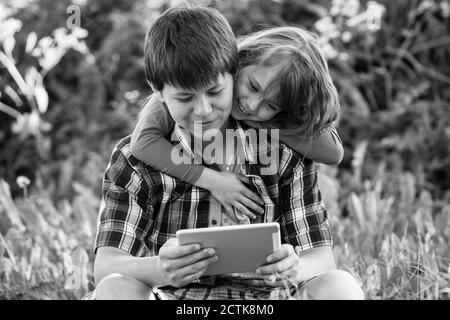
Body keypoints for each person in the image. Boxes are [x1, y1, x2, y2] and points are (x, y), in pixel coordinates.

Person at [89, 6, 364, 300]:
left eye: (215, 91)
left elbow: (322, 259)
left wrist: (295, 268)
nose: (203, 110)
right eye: (184, 97)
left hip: (262, 302)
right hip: (175, 300)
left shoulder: (283, 154)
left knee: (340, 286)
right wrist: (159, 269)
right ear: (158, 90)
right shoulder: (137, 160)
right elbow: (106, 268)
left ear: (233, 70)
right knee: (115, 290)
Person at [130, 26, 344, 223]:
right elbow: (142, 142)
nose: (251, 105)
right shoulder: (200, 81)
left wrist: (266, 124)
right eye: (252, 86)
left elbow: (333, 152)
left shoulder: (267, 118)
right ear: (240, 61)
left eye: (270, 105)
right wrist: (214, 181)